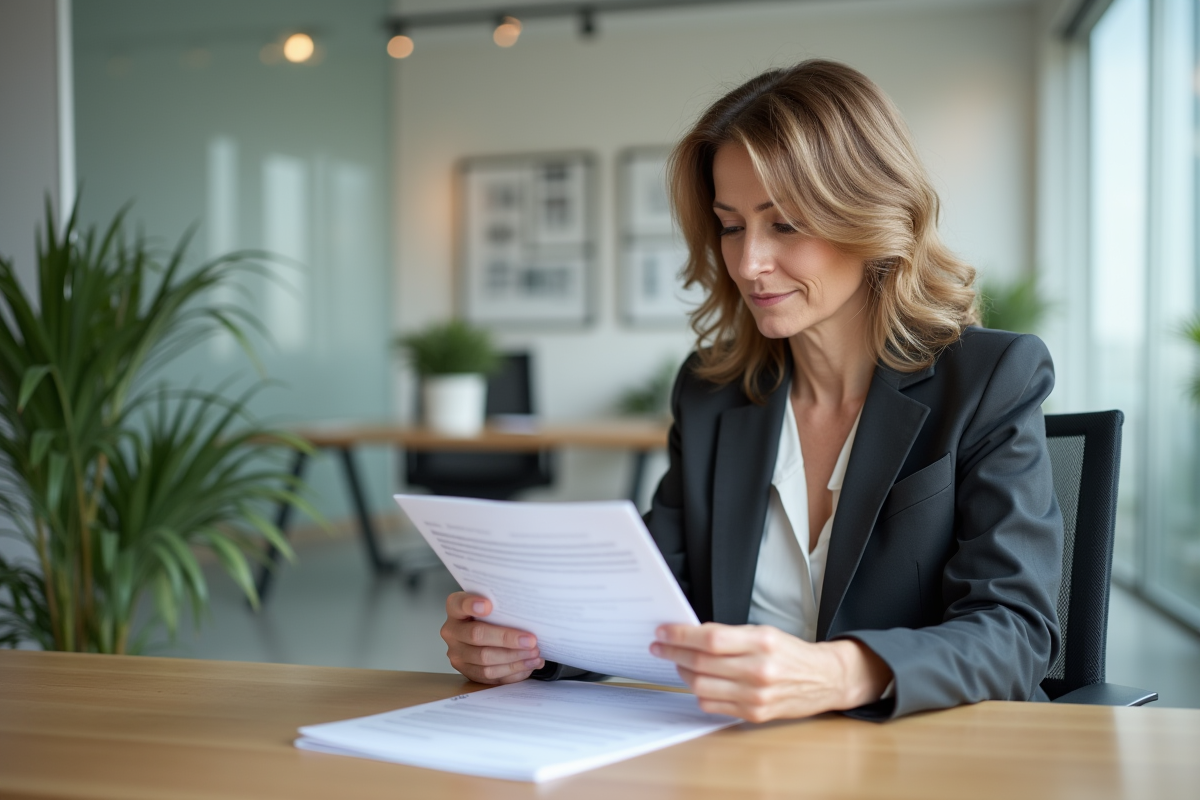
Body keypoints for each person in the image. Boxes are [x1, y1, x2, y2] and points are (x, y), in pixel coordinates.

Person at [440, 59, 1063, 722]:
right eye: (732, 226)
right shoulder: (713, 392)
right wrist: (529, 645)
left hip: (911, 757)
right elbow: (657, 600)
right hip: (735, 760)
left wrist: (842, 672)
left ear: (872, 216)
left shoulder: (991, 379)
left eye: (785, 224)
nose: (747, 263)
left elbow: (1016, 632)